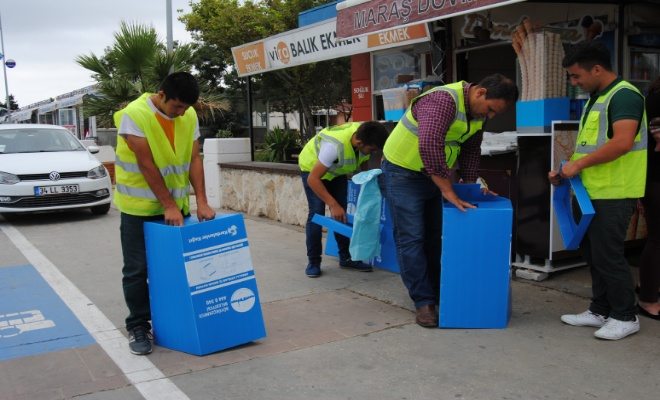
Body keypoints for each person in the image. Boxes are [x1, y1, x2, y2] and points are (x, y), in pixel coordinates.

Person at [379, 74, 518, 327]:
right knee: (411, 237)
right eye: (490, 109)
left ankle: (437, 291)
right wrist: (447, 189)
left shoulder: (477, 115)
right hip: (402, 171)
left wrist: (469, 185)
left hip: (431, 173)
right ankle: (423, 302)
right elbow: (430, 144)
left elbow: (471, 150)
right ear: (480, 92)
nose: (490, 117)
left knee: (434, 236)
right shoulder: (442, 101)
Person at [549, 41, 647, 340]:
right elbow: (589, 147)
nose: (574, 82)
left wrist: (577, 167)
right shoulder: (597, 98)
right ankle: (600, 310)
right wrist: (566, 172)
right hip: (590, 190)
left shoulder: (625, 96)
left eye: (577, 76)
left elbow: (622, 142)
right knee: (593, 254)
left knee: (609, 255)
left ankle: (625, 316)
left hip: (615, 191)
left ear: (597, 69)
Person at [114, 72, 216, 355]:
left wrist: (202, 201)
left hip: (178, 209)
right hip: (139, 209)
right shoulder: (134, 115)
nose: (181, 113)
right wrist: (168, 205)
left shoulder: (189, 115)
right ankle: (138, 326)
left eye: (185, 108)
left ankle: (176, 322)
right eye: (176, 107)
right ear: (161, 95)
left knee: (177, 269)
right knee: (137, 270)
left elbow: (195, 158)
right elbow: (146, 164)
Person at [298, 121, 389, 278]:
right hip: (312, 170)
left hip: (335, 172)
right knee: (316, 214)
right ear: (359, 143)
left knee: (342, 213)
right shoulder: (333, 147)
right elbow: (313, 179)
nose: (372, 153)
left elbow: (363, 160)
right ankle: (313, 261)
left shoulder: (365, 133)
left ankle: (345, 257)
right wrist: (332, 204)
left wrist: (367, 179)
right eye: (371, 150)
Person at [638, 77, 660, 320]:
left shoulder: (652, 98)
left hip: (651, 178)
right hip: (655, 178)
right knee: (657, 240)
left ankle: (650, 288)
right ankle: (648, 300)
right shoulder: (655, 100)